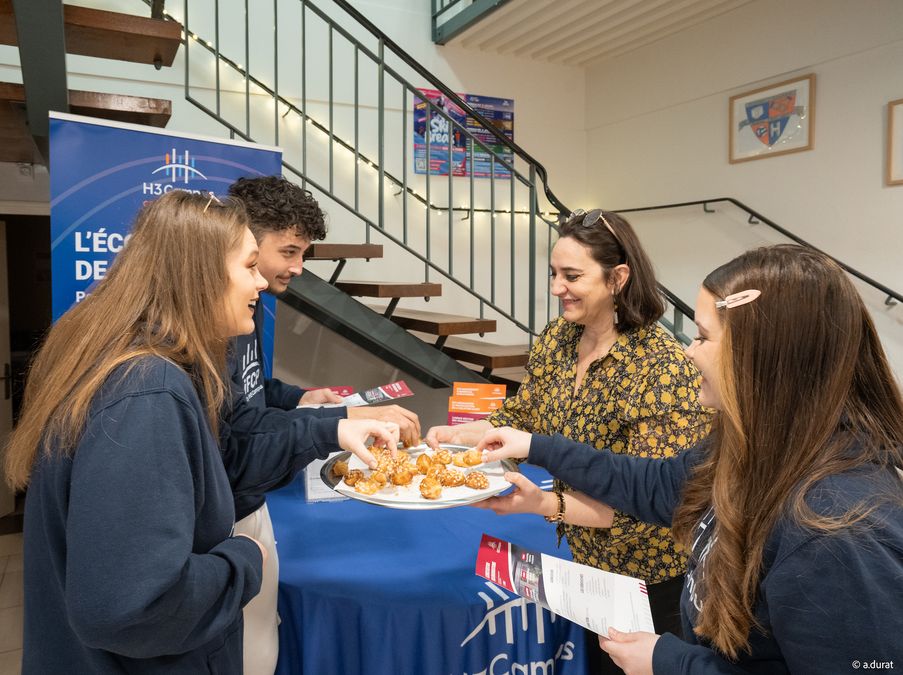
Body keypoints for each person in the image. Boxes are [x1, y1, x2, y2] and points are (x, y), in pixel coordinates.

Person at [3, 190, 398, 674]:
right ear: (201, 275)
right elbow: (132, 608)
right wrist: (243, 556)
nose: (260, 282)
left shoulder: (131, 357)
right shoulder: (147, 391)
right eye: (250, 265)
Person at [478, 244, 903, 674]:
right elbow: (659, 485)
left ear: (761, 357)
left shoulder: (836, 528)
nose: (688, 351)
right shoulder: (749, 445)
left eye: (702, 337)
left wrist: (669, 660)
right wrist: (537, 447)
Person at [427, 208, 710, 672]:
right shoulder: (559, 337)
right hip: (586, 567)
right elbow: (524, 414)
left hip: (651, 582)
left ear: (618, 277)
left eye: (572, 275)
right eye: (554, 273)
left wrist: (542, 504)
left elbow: (648, 503)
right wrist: (467, 433)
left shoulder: (663, 368)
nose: (557, 288)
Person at [225, 175, 420, 675]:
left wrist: (300, 397)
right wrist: (338, 421)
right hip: (223, 519)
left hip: (252, 503)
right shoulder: (216, 322)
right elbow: (233, 433)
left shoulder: (252, 308)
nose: (298, 267)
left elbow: (253, 391)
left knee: (262, 646)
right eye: (287, 251)